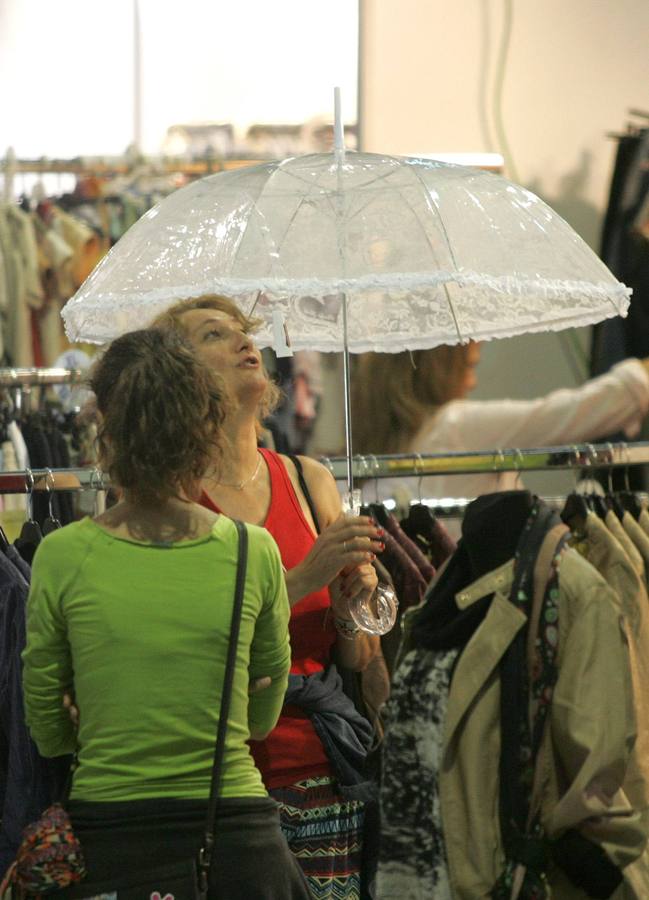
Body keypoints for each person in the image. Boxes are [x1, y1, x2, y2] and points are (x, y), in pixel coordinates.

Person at [21, 328, 311, 899]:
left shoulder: (62, 556)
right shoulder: (253, 552)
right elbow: (261, 717)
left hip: (112, 842)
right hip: (237, 842)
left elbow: (47, 729)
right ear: (205, 426)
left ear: (107, 429)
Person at [154, 295, 383, 900]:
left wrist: (348, 607)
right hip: (218, 788)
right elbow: (186, 639)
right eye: (213, 335)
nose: (242, 344)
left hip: (324, 779)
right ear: (179, 375)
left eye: (244, 332)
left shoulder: (309, 480)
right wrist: (305, 576)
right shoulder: (167, 499)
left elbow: (356, 662)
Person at [352, 341, 649, 502]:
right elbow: (569, 415)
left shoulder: (383, 442)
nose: (472, 381)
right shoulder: (455, 426)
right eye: (469, 366)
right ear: (438, 370)